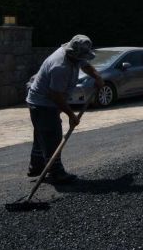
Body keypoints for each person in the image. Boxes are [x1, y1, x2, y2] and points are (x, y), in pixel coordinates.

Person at [25, 34, 104, 183]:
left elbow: (85, 64)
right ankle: (56, 172)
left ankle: (36, 167)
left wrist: (97, 76)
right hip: (43, 103)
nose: (82, 59)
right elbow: (56, 96)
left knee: (42, 135)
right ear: (73, 54)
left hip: (43, 102)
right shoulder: (60, 66)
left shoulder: (74, 55)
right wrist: (71, 115)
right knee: (52, 136)